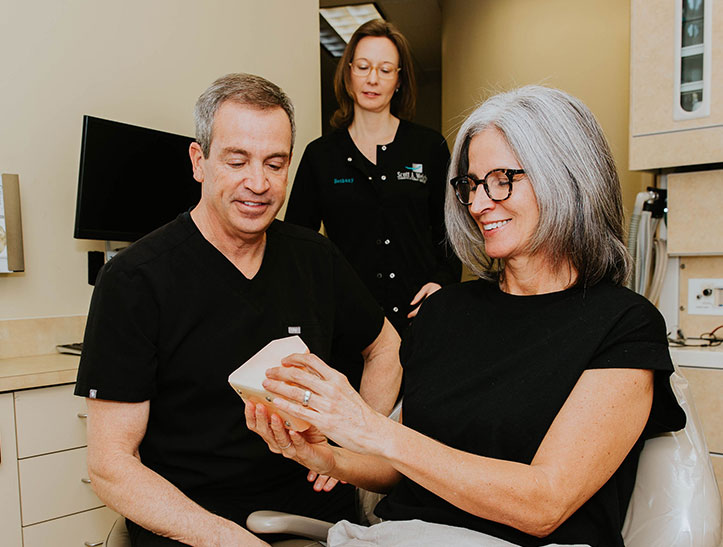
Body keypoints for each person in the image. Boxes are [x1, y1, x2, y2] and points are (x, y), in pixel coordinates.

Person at [246, 86, 687, 546]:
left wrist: (369, 427)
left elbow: (544, 504)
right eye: (470, 185)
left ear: (565, 176)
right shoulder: (444, 311)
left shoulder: (623, 325)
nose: (477, 204)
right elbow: (403, 467)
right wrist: (327, 457)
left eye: (502, 180)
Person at [74, 73, 402, 547]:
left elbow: (386, 345)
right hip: (196, 527)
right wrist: (229, 541)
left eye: (275, 163)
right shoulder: (134, 280)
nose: (258, 183)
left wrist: (349, 447)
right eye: (237, 160)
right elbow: (110, 466)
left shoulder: (316, 258)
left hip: (317, 522)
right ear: (198, 162)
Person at [285, 19, 461, 335]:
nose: (372, 79)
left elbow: (450, 231)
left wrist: (442, 284)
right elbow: (297, 241)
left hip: (419, 320)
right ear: (348, 73)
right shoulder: (321, 155)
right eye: (363, 67)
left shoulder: (428, 147)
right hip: (349, 324)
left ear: (399, 80)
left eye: (385, 69)